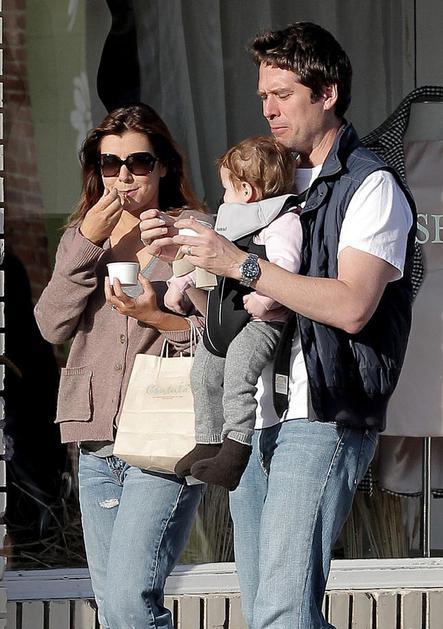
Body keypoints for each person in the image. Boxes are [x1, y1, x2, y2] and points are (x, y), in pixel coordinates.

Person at [138, 22, 417, 629]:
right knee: (266, 604)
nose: (268, 109)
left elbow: (352, 305)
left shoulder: (370, 184)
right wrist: (181, 262)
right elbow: (239, 300)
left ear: (327, 93)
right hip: (256, 416)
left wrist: (238, 262)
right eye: (263, 95)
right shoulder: (271, 184)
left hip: (323, 414)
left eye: (283, 94)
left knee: (282, 611)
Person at [34, 103, 207, 629]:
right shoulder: (82, 238)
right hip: (96, 440)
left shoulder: (192, 232)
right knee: (113, 608)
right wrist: (87, 244)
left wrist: (157, 313)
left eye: (139, 162)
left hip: (164, 434)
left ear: (163, 167)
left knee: (131, 602)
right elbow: (51, 326)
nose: (124, 176)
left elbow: (221, 338)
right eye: (110, 164)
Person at [167, 136, 302, 491]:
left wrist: (266, 299)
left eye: (226, 188)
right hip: (227, 316)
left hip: (262, 321)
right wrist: (180, 283)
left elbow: (286, 267)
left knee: (238, 374)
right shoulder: (232, 221)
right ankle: (208, 440)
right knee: (203, 373)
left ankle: (235, 448)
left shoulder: (282, 222)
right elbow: (206, 262)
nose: (223, 198)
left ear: (246, 190)